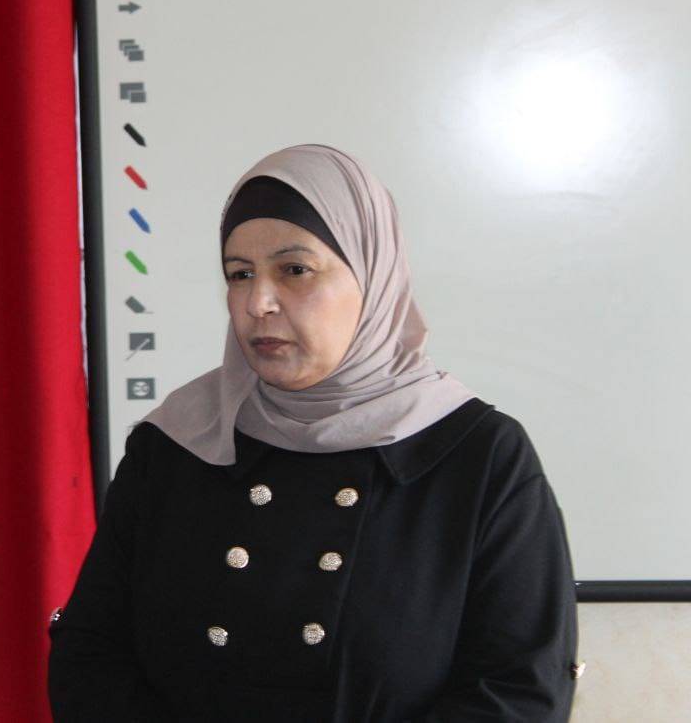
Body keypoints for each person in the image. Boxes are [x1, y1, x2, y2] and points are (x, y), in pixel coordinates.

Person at [48, 145, 578, 721]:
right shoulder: (176, 443)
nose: (258, 302)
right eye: (239, 274)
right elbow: (91, 655)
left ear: (372, 277)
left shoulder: (476, 455)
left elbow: (518, 691)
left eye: (295, 270)